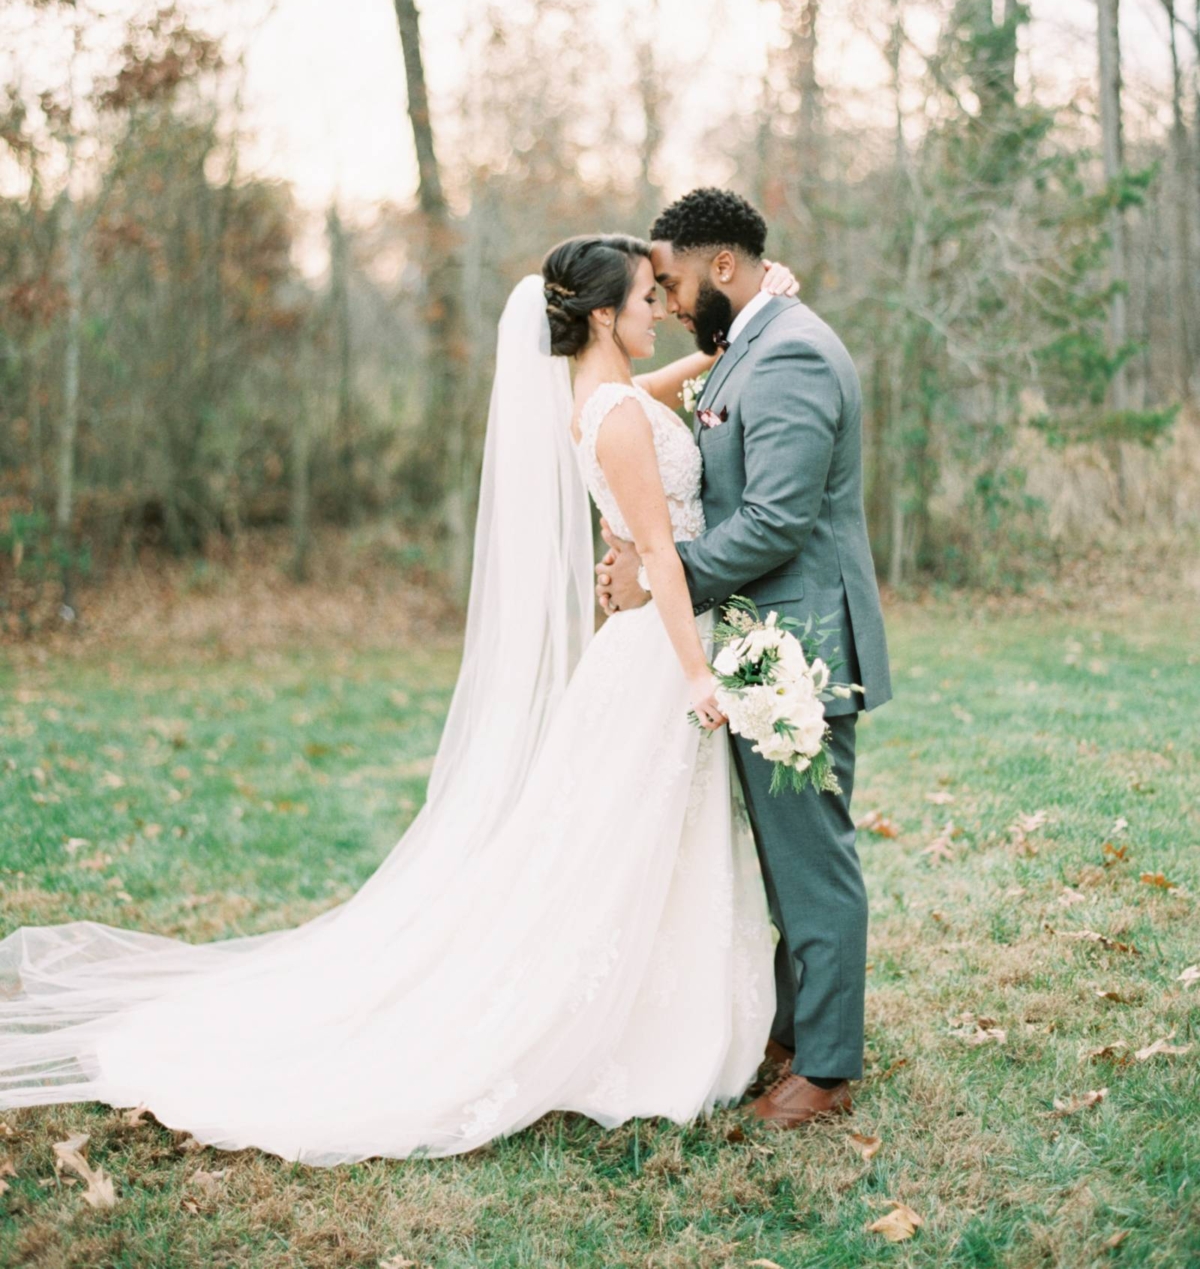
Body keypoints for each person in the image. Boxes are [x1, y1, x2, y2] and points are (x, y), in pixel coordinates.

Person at [0, 229, 802, 1166]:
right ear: (600, 315)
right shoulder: (616, 412)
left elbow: (647, 411)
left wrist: (726, 342)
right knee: (626, 842)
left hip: (640, 649)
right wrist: (699, 673)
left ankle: (668, 1009)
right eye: (644, 299)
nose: (659, 308)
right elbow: (661, 553)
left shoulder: (601, 397)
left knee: (635, 840)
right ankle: (637, 1029)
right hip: (664, 653)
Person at [596, 189, 892, 1127]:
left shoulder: (795, 351)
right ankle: (795, 1032)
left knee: (813, 859)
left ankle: (830, 1067)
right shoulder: (753, 344)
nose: (672, 299)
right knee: (781, 855)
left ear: (723, 266)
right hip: (760, 635)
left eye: (677, 281)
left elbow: (777, 519)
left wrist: (660, 574)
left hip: (799, 642)